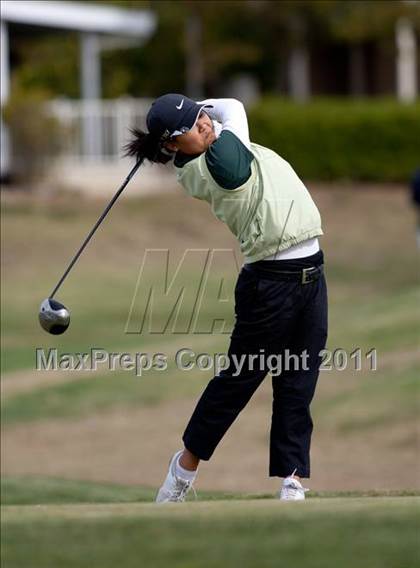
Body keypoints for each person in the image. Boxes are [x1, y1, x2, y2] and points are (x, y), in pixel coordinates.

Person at [125, 94, 328, 502]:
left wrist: (192, 109)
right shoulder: (215, 165)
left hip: (312, 273)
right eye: (191, 128)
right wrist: (202, 107)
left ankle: (292, 480)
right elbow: (233, 107)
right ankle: (182, 471)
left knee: (298, 380)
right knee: (239, 381)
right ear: (172, 147)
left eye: (201, 117)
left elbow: (226, 113)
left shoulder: (222, 140)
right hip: (270, 284)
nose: (203, 124)